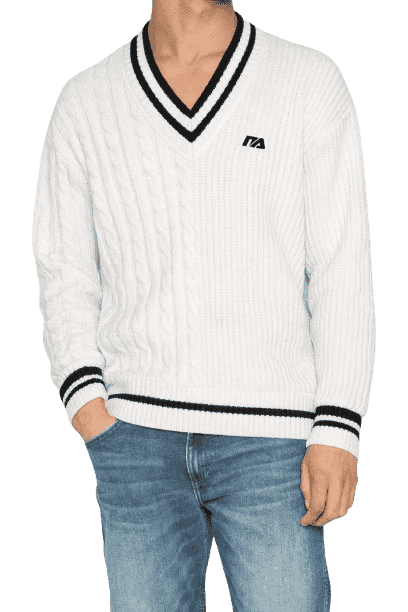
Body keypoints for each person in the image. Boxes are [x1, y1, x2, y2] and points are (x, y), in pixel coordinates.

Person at [32, 0, 376, 609]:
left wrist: (338, 427)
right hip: (135, 439)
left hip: (273, 442)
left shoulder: (308, 79)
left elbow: (341, 265)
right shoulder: (86, 99)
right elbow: (64, 267)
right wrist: (88, 406)